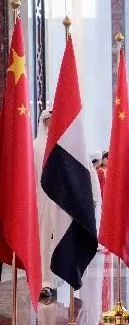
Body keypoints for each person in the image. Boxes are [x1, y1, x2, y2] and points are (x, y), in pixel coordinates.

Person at [34, 107, 60, 300]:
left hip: (59, 202)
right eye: (47, 120)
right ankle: (44, 281)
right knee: (43, 240)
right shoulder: (34, 146)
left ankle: (55, 279)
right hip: (40, 200)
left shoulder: (61, 145)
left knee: (57, 240)